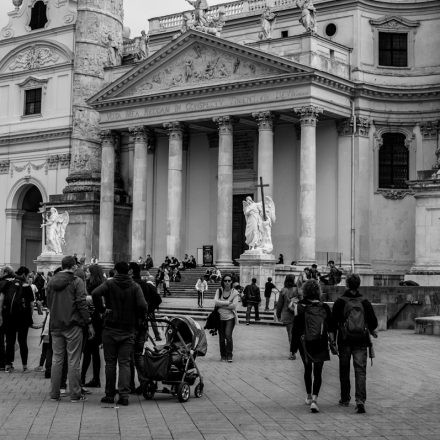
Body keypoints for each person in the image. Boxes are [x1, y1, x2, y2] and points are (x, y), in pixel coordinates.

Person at [92, 261, 148, 406]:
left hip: (110, 328)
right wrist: (139, 318)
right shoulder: (135, 286)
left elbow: (95, 293)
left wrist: (103, 310)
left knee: (110, 363)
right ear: (128, 271)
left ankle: (110, 394)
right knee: (124, 363)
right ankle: (124, 395)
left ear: (116, 271)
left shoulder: (110, 284)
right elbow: (143, 305)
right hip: (128, 328)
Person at [46, 256, 93, 402]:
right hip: (72, 324)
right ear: (73, 267)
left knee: (57, 359)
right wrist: (88, 322)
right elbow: (81, 303)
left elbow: (48, 302)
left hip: (55, 325)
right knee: (73, 360)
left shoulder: (51, 281)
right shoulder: (76, 281)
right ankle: (75, 394)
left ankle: (54, 394)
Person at [332, 273, 378, 414]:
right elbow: (374, 322)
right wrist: (371, 330)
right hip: (361, 340)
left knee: (344, 370)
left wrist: (332, 341)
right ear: (358, 285)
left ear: (346, 284)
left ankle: (345, 399)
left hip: (344, 340)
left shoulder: (340, 301)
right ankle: (360, 401)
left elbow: (332, 323)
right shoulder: (364, 302)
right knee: (360, 371)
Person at [291, 279, 335, 413]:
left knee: (307, 369)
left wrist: (293, 348)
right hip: (321, 342)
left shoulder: (300, 306)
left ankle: (309, 396)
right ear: (318, 291)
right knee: (318, 371)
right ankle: (315, 399)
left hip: (305, 343)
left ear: (305, 291)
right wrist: (333, 343)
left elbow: (296, 329)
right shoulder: (324, 307)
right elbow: (331, 327)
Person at [3, 266, 34, 373]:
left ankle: (8, 365)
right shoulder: (27, 287)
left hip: (10, 317)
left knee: (10, 341)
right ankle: (24, 366)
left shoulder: (9, 283)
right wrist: (30, 318)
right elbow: (31, 304)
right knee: (23, 341)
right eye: (29, 275)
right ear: (24, 275)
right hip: (23, 318)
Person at [81, 264, 105, 388]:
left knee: (88, 351)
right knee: (94, 352)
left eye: (89, 272)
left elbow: (94, 306)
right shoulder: (103, 285)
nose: (87, 273)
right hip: (98, 322)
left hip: (92, 321)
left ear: (94, 273)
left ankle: (83, 378)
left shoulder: (93, 287)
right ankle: (95, 379)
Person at [215, 274, 240, 362]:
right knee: (221, 338)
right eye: (225, 280)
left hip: (230, 317)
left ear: (232, 282)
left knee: (228, 336)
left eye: (229, 281)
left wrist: (222, 305)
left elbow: (234, 306)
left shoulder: (235, 293)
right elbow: (215, 302)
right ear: (223, 281)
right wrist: (228, 303)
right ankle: (223, 355)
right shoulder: (219, 290)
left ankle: (229, 355)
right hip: (220, 318)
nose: (227, 282)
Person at [276, 274, 300, 359]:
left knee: (290, 334)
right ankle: (295, 351)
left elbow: (279, 304)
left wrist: (278, 314)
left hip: (287, 314)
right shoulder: (297, 290)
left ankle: (292, 353)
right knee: (297, 333)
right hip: (297, 314)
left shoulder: (283, 290)